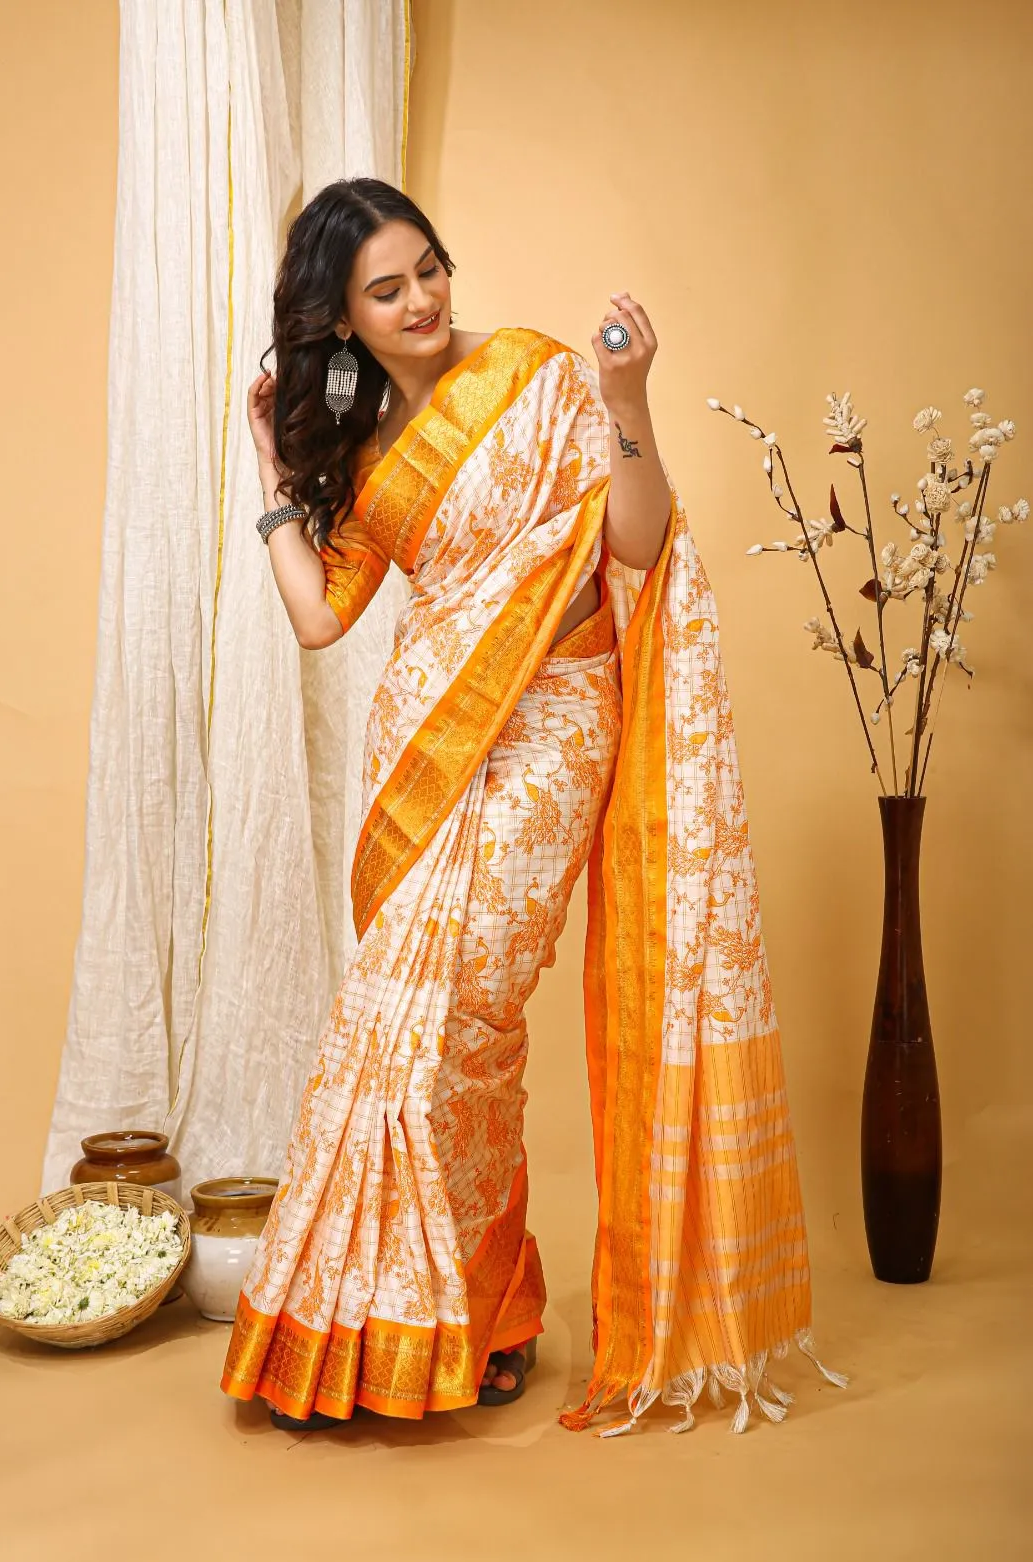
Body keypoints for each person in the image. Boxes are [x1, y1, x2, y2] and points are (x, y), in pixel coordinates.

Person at [219, 177, 846, 1436]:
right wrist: (275, 468)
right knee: (402, 1026)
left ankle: (466, 1307)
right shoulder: (368, 452)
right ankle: (464, 1319)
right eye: (385, 289)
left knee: (464, 1018)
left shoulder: (538, 377)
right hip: (429, 747)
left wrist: (627, 401)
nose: (420, 299)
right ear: (340, 319)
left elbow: (636, 544)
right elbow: (320, 615)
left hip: (554, 723)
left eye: (429, 268)